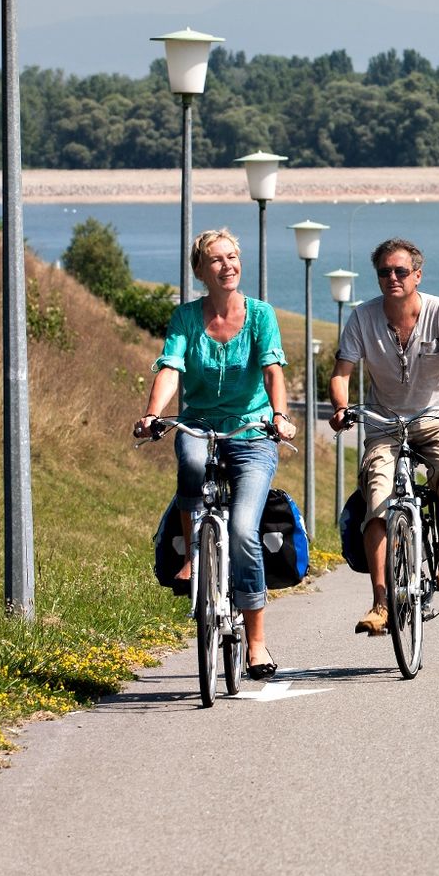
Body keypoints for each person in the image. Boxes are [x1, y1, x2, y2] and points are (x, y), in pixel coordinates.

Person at [133, 228, 293, 680]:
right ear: (200, 271)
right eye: (217, 259)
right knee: (190, 460)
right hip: (200, 422)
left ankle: (256, 644)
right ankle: (193, 556)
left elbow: (272, 371)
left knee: (243, 528)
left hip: (252, 431)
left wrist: (279, 416)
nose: (228, 265)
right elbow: (170, 368)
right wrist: (152, 415)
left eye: (233, 257)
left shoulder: (260, 315)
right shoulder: (185, 317)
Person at [328, 238, 439, 636]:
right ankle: (380, 602)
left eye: (400, 271)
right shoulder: (363, 317)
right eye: (384, 272)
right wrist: (342, 408)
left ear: (417, 275)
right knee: (376, 500)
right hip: (383, 422)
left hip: (435, 418)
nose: (391, 278)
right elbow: (342, 372)